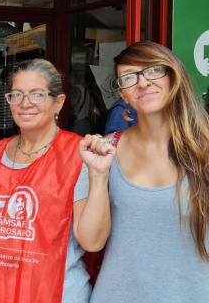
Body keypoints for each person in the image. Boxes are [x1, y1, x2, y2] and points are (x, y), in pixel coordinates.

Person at [0, 59, 112, 303]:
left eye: (37, 95)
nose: (25, 103)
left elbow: (92, 241)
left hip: (54, 294)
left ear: (58, 102)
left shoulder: (77, 155)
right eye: (16, 95)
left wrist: (99, 175)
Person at [89, 41, 209, 302]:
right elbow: (91, 241)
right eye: (129, 78)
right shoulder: (107, 150)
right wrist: (98, 176)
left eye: (153, 70)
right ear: (123, 94)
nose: (142, 83)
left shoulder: (205, 147)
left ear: (172, 75)